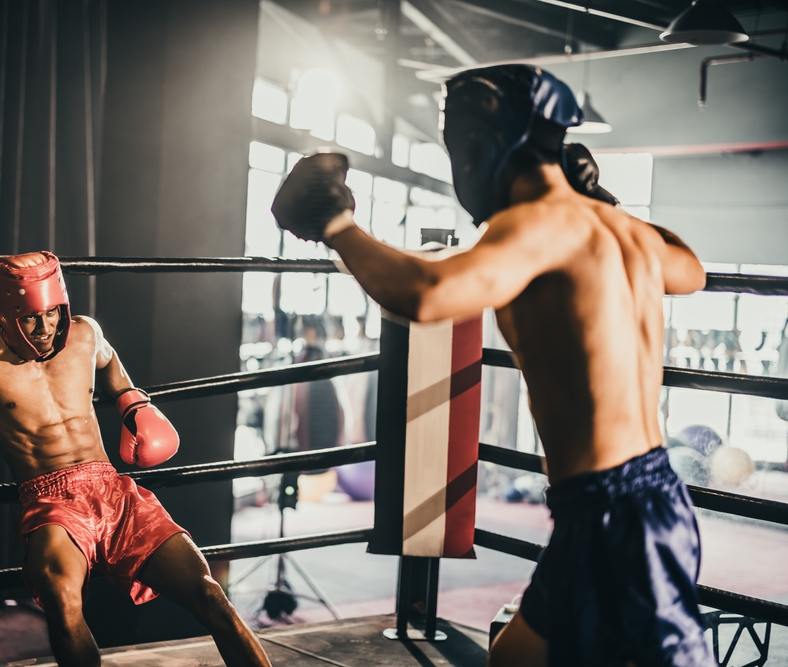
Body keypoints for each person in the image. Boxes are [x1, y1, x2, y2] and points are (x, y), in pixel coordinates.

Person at [271, 65, 713, 666]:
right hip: (634, 498)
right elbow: (691, 268)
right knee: (515, 658)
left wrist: (337, 225)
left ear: (479, 148)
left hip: (614, 515)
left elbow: (427, 294)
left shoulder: (535, 226)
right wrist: (603, 203)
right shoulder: (610, 228)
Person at [0, 252, 271, 667]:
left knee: (208, 592)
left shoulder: (84, 335)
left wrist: (133, 404)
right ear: (4, 314)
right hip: (51, 502)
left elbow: (112, 363)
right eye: (30, 318)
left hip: (114, 490)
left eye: (52, 314)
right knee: (62, 602)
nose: (44, 329)